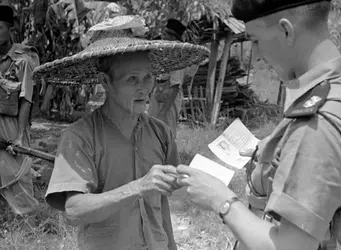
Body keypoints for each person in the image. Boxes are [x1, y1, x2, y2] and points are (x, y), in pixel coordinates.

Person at [175, 1, 341, 250]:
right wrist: (282, 149)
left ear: (286, 31)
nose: (256, 55)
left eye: (255, 40)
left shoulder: (316, 124)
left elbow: (289, 246)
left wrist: (220, 199)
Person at [34, 14, 209, 250]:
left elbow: (162, 201)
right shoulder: (81, 137)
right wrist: (138, 187)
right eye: (132, 79)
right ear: (105, 82)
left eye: (148, 77)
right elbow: (75, 210)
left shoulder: (160, 133)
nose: (143, 88)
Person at [0, 0, 40, 215]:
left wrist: (20, 136)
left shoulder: (22, 60)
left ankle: (28, 222)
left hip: (11, 122)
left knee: (17, 173)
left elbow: (26, 99)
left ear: (10, 29)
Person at [149, 19, 199, 137]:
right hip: (158, 96)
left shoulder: (178, 57)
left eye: (165, 34)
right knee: (152, 130)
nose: (162, 36)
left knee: (166, 133)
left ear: (173, 38)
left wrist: (163, 112)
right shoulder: (165, 56)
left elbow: (175, 87)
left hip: (169, 102)